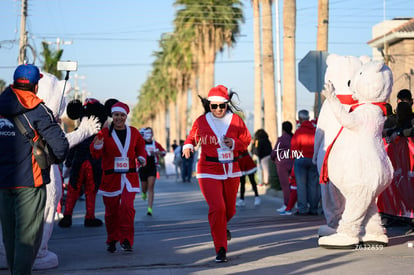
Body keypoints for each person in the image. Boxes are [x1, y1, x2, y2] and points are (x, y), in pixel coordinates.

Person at [0, 64, 69, 274]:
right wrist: (51, 159)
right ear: (35, 85)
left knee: (10, 235)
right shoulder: (38, 111)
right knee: (27, 238)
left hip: (3, 183)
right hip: (30, 182)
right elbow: (61, 146)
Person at [182, 84, 251, 263]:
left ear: (227, 104)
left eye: (222, 106)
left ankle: (221, 226)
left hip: (231, 169)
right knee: (217, 208)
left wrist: (234, 142)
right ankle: (220, 248)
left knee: (230, 209)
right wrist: (188, 145)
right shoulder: (201, 121)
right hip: (208, 170)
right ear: (209, 105)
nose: (218, 109)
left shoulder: (236, 120)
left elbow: (246, 140)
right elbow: (192, 137)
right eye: (214, 106)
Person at [90, 101, 147, 253]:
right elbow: (95, 154)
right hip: (111, 179)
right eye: (116, 115)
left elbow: (141, 147)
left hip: (129, 177)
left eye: (122, 115)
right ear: (112, 116)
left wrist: (142, 157)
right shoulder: (104, 133)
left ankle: (126, 240)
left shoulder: (134, 132)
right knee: (111, 213)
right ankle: (112, 239)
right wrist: (97, 145)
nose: (119, 118)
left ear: (126, 117)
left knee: (127, 208)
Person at [58, 98, 107, 228]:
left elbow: (71, 149)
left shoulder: (78, 133)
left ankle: (67, 216)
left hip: (78, 162)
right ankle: (89, 217)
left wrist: (68, 164)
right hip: (93, 163)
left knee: (74, 189)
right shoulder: (100, 135)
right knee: (90, 191)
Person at [290, 109, 320, 216]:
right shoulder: (315, 130)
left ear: (300, 119)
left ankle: (302, 209)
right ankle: (314, 208)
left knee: (301, 185)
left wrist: (294, 158)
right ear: (308, 118)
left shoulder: (299, 132)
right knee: (313, 185)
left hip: (301, 159)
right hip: (313, 160)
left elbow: (294, 148)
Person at [139, 127, 167, 216]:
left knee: (151, 187)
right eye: (147, 133)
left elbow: (164, 153)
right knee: (144, 187)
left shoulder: (155, 144)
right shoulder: (141, 144)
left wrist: (157, 152)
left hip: (152, 167)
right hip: (143, 167)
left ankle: (149, 208)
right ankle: (143, 192)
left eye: (150, 133)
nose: (149, 135)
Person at [271, 121, 294, 212]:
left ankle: (287, 205)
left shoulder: (281, 139)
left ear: (283, 129)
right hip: (292, 162)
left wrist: (272, 158)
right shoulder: (293, 137)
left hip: (282, 164)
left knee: (285, 186)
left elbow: (275, 151)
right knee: (294, 185)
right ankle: (294, 203)